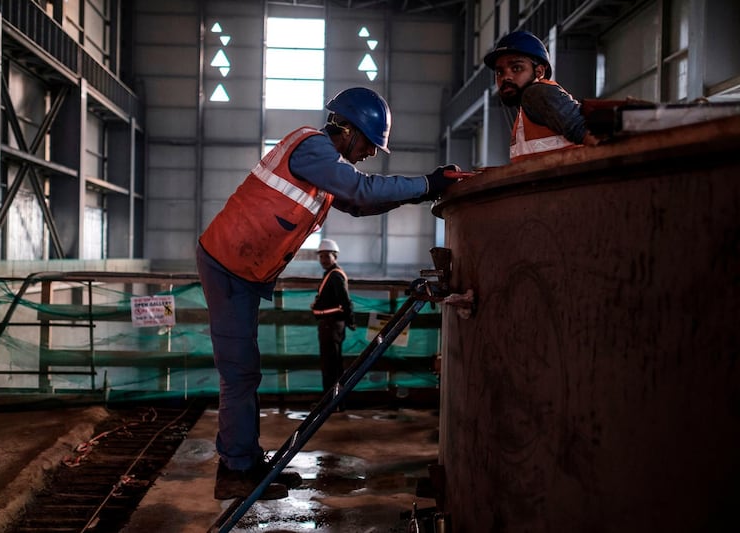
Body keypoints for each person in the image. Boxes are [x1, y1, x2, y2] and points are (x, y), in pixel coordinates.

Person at [196, 86, 459, 500]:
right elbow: (362, 191)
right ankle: (235, 470)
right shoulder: (313, 150)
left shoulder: (321, 167)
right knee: (240, 373)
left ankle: (244, 460)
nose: (370, 154)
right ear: (348, 130)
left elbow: (358, 204)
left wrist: (424, 191)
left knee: (244, 371)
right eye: (370, 145)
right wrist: (428, 183)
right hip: (228, 265)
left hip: (240, 269)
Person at [483, 30, 602, 162]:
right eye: (499, 72)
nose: (506, 77)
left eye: (516, 68)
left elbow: (591, 135)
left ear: (539, 71)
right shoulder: (526, 113)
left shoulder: (536, 94)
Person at [311, 238, 355, 409]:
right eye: (321, 256)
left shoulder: (335, 275)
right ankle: (334, 403)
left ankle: (331, 404)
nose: (323, 260)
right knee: (332, 365)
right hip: (331, 325)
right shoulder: (331, 274)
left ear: (334, 256)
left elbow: (345, 301)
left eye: (326, 256)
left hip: (331, 325)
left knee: (331, 366)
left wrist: (350, 320)